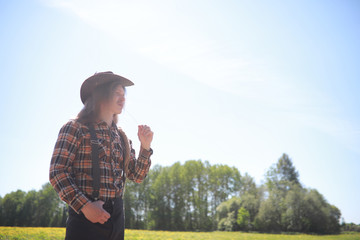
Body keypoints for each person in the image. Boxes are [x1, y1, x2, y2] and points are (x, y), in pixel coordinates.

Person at [49, 71, 153, 240]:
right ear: (101, 96)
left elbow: (137, 175)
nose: (123, 99)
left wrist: (145, 146)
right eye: (117, 93)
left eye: (123, 94)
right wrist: (86, 206)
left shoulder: (122, 137)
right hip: (84, 222)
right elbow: (57, 172)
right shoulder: (75, 127)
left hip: (117, 221)